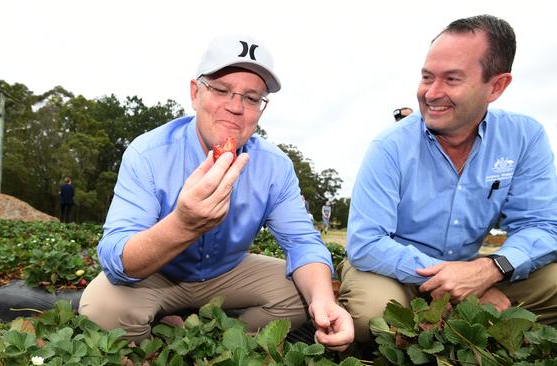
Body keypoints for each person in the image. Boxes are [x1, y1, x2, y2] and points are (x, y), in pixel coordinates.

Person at [79, 34, 354, 351]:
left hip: (228, 271)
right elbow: (115, 255)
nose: (236, 107)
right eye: (221, 90)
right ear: (195, 93)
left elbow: (303, 242)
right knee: (101, 307)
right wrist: (182, 225)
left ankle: (219, 339)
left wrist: (324, 301)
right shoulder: (148, 153)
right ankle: (161, 344)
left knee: (303, 294)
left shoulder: (274, 166)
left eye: (252, 98)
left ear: (261, 110)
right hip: (161, 274)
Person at [341, 14, 557, 347]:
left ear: (496, 86)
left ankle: (437, 327)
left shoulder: (525, 138)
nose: (431, 93)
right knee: (371, 316)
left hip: (478, 270)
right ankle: (464, 326)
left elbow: (542, 225)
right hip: (394, 272)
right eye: (427, 77)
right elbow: (367, 243)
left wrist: (490, 271)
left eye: (452, 79)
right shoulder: (389, 147)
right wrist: (461, 282)